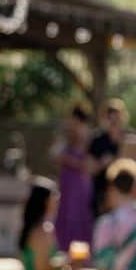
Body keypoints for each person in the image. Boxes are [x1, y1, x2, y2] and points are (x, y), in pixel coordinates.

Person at [52, 104, 95, 251]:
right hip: (69, 179)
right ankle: (67, 247)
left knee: (75, 213)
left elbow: (82, 161)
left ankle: (75, 249)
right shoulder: (71, 132)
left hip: (76, 181)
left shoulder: (80, 133)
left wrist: (66, 159)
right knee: (66, 212)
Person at [88, 99, 128, 214]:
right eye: (110, 118)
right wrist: (103, 163)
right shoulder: (97, 140)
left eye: (117, 118)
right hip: (102, 194)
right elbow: (90, 169)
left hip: (125, 193)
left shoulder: (128, 139)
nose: (114, 122)